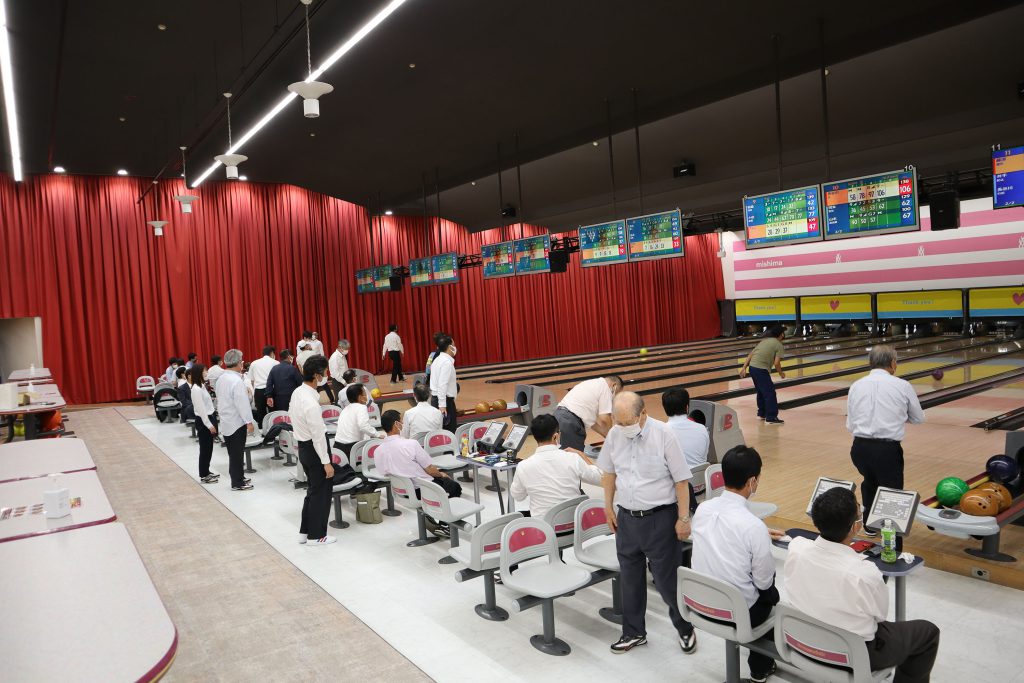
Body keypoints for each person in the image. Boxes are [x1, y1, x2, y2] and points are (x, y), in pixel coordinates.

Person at [784, 487, 940, 682]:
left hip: (801, 641)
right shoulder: (864, 572)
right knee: (928, 632)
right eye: (859, 514)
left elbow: (794, 540)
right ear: (854, 527)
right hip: (853, 655)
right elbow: (879, 616)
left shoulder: (797, 548)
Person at [598, 391, 695, 655]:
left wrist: (683, 518)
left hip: (660, 519)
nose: (623, 427)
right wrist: (608, 507)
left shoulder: (664, 435)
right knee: (630, 579)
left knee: (666, 582)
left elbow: (681, 480)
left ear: (643, 414)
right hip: (627, 519)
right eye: (619, 422)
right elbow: (608, 473)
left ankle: (685, 627)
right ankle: (633, 632)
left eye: (627, 422)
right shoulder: (615, 435)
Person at [690, 446, 784, 683]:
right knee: (772, 595)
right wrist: (760, 538)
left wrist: (759, 536)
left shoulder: (703, 509)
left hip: (699, 602)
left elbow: (722, 535)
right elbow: (764, 583)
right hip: (736, 612)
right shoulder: (753, 526)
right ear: (752, 481)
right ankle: (760, 669)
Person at [846, 345, 924, 537]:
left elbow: (850, 424)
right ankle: (892, 539)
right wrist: (896, 415)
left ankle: (870, 526)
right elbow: (918, 418)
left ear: (870, 363)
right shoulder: (902, 385)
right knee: (892, 493)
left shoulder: (856, 385)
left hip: (859, 448)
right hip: (887, 450)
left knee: (870, 482)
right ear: (893, 363)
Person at [375, 408, 462, 535]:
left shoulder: (378, 450)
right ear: (396, 424)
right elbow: (430, 470)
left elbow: (383, 472)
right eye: (401, 421)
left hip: (400, 491)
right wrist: (442, 474)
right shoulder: (411, 444)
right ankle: (444, 524)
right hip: (421, 489)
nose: (402, 424)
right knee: (454, 487)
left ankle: (431, 518)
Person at [289, 353, 340, 546]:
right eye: (325, 372)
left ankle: (305, 532)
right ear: (317, 376)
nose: (326, 376)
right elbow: (318, 435)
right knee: (321, 494)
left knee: (312, 492)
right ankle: (317, 536)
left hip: (304, 447)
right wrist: (326, 462)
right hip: (314, 448)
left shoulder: (297, 392)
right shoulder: (311, 403)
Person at [510, 414, 602, 519]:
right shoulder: (573, 458)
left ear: (535, 437)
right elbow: (601, 479)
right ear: (556, 436)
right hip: (573, 524)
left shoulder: (523, 466)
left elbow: (517, 496)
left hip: (544, 526)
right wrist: (583, 456)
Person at [215, 349, 255, 491]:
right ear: (239, 363)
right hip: (237, 422)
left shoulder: (221, 378)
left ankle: (239, 476)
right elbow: (242, 404)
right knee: (237, 454)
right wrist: (249, 422)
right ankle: (237, 483)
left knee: (233, 453)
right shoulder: (236, 381)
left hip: (226, 420)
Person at [555, 376, 623, 453]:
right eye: (617, 393)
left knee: (565, 454)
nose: (615, 396)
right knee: (573, 456)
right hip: (569, 421)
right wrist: (613, 437)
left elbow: (592, 424)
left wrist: (607, 436)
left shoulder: (593, 385)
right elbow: (605, 418)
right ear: (614, 385)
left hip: (560, 416)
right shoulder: (605, 388)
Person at [739, 326, 787, 425]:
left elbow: (751, 354)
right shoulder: (779, 345)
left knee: (761, 391)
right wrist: (781, 373)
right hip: (761, 369)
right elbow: (777, 363)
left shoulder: (764, 341)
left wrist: (744, 368)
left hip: (752, 368)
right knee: (770, 393)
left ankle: (762, 413)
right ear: (781, 334)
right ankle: (771, 417)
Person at [662, 388, 709, 470]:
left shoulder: (661, 432)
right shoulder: (702, 429)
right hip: (699, 476)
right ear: (687, 407)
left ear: (665, 409)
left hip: (675, 477)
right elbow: (704, 458)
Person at [334, 383, 384, 458]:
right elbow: (363, 426)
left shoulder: (345, 409)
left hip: (338, 446)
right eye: (365, 394)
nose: (366, 396)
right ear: (360, 397)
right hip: (352, 447)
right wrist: (378, 435)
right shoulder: (361, 407)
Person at [189, 364, 219, 484]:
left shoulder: (201, 386)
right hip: (203, 420)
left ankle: (206, 470)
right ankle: (204, 474)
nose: (207, 373)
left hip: (209, 417)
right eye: (205, 371)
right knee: (205, 448)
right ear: (199, 373)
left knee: (209, 447)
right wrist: (209, 425)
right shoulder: (196, 389)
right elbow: (201, 409)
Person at [429, 335, 458, 433]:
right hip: (444, 401)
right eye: (454, 345)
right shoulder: (446, 363)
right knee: (449, 432)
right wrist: (442, 406)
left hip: (437, 399)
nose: (455, 347)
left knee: (441, 432)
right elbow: (442, 385)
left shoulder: (437, 359)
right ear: (449, 347)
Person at [265, 349, 304, 413]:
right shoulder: (293, 368)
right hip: (291, 398)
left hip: (277, 399)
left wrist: (269, 396)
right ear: (289, 357)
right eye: (292, 356)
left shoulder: (274, 368)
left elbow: (269, 383)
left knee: (281, 416)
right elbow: (300, 383)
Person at [248, 346, 278, 425]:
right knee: (273, 413)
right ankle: (275, 429)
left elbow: (252, 380)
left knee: (261, 414)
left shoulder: (254, 363)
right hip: (272, 391)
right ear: (272, 353)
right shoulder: (276, 363)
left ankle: (262, 430)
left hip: (259, 391)